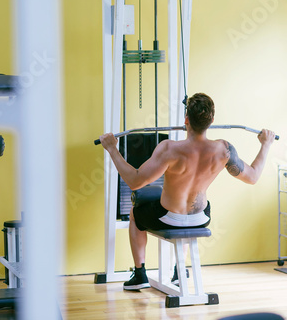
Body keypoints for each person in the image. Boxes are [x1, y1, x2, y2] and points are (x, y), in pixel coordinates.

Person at [99, 92, 276, 290]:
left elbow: (134, 181)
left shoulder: (169, 149)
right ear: (211, 121)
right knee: (188, 212)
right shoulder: (223, 149)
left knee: (135, 213)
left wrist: (112, 149)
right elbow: (252, 177)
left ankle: (140, 273)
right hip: (200, 217)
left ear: (186, 120)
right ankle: (178, 270)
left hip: (168, 217)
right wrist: (266, 145)